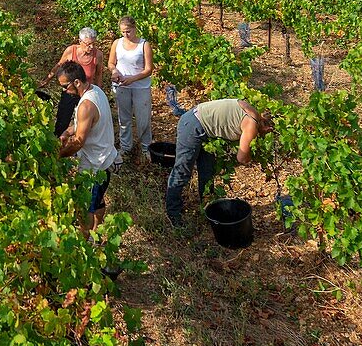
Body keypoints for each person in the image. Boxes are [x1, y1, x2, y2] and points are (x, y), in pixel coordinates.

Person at [165, 98, 274, 228]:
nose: (266, 135)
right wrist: (251, 156)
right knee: (182, 171)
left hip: (204, 128)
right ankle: (173, 214)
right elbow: (242, 158)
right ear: (267, 126)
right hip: (192, 125)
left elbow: (239, 103)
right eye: (268, 132)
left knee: (207, 172)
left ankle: (208, 209)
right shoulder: (252, 125)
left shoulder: (251, 110)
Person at [57, 61, 118, 235]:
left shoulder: (86, 106)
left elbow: (79, 142)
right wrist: (67, 132)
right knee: (97, 200)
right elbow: (83, 124)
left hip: (94, 165)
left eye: (65, 86)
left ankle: (85, 245)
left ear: (77, 82)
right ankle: (97, 235)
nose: (64, 91)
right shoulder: (96, 91)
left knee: (85, 208)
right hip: (106, 160)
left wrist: (57, 155)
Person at [108, 16, 154, 168]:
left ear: (135, 29)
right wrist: (114, 71)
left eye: (128, 31)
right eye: (122, 32)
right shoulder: (117, 43)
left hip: (140, 87)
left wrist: (133, 79)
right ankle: (125, 147)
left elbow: (148, 70)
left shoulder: (144, 45)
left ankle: (146, 147)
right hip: (122, 86)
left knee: (143, 118)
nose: (125, 35)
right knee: (124, 118)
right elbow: (111, 62)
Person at [40, 27, 102, 137]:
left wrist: (98, 94)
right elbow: (59, 66)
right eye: (88, 44)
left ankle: (79, 144)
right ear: (80, 42)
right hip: (69, 91)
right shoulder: (71, 51)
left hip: (85, 93)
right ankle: (58, 143)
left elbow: (98, 75)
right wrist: (46, 80)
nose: (91, 47)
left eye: (93, 44)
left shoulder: (97, 55)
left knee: (84, 120)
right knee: (63, 119)